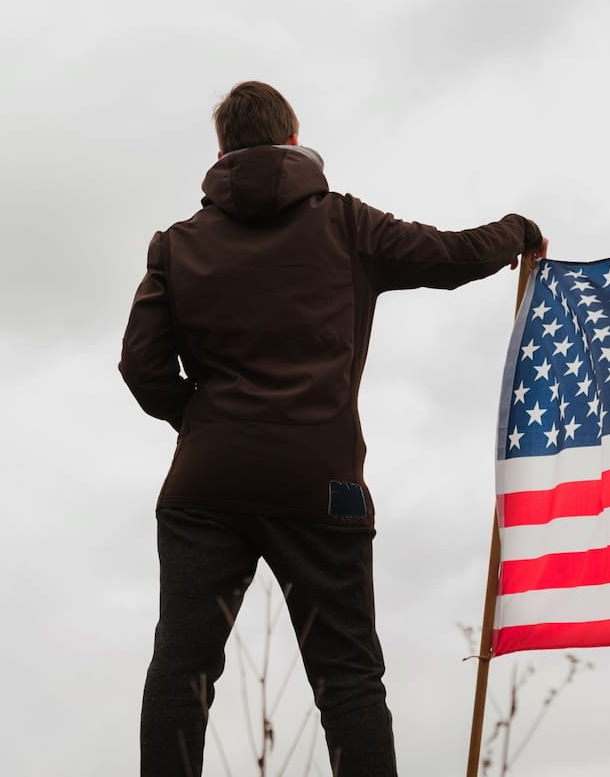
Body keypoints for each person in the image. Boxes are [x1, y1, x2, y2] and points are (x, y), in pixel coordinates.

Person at [120, 80, 545, 777]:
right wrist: (516, 233)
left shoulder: (175, 246)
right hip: (321, 485)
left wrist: (201, 419)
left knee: (181, 674)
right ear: (294, 141)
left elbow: (141, 365)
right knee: (346, 680)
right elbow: (450, 255)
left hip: (207, 482)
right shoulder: (347, 225)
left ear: (221, 150)